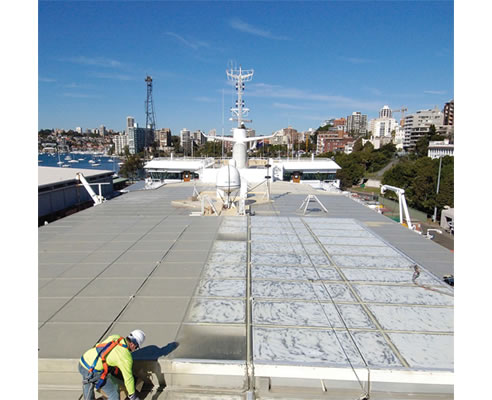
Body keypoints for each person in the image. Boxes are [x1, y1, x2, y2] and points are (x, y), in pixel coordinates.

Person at [79, 329, 145, 400]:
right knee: (113, 392)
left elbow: (104, 352)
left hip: (83, 361)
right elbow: (128, 379)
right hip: (92, 371)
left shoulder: (116, 337)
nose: (135, 349)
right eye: (136, 347)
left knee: (88, 383)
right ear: (132, 344)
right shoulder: (125, 357)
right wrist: (132, 395)